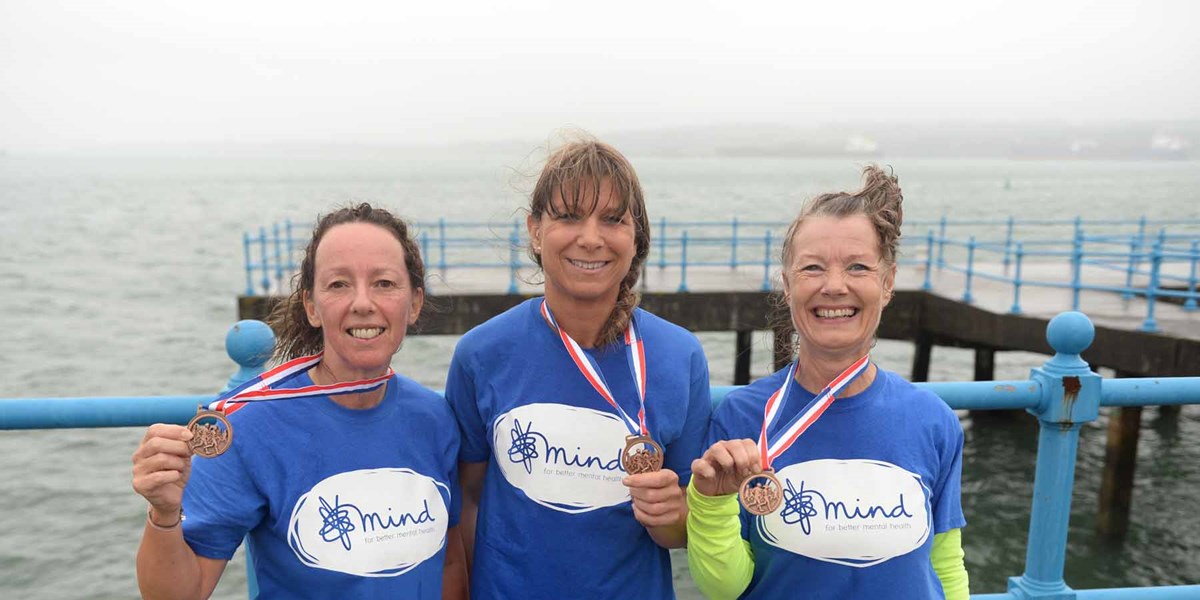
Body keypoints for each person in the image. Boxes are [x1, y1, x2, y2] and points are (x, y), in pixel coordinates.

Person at [131, 203, 467, 599]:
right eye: (338, 284)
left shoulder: (435, 418)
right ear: (311, 306)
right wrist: (164, 514)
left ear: (414, 303)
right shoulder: (249, 427)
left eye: (384, 283)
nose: (363, 302)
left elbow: (449, 562)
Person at [446, 137, 712, 599]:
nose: (590, 238)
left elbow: (686, 528)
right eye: (569, 216)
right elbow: (467, 497)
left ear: (637, 238)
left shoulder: (680, 357)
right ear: (535, 230)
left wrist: (673, 518)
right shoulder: (481, 353)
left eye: (613, 219)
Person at [686, 166, 969, 599]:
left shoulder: (933, 421)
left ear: (888, 282)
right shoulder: (742, 417)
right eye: (812, 268)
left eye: (858, 267)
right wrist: (710, 503)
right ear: (787, 285)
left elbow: (945, 565)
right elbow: (723, 588)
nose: (834, 286)